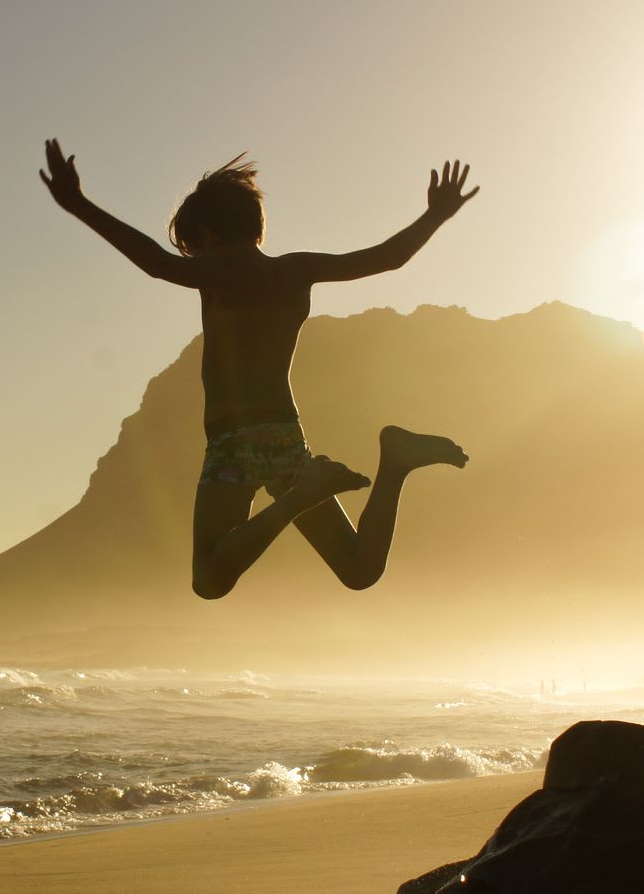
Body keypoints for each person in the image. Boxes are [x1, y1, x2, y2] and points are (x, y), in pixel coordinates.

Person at [39, 139, 478, 599]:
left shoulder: (216, 272)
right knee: (359, 568)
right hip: (285, 435)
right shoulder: (296, 270)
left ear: (206, 237)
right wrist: (435, 216)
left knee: (209, 580)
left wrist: (79, 205)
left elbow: (154, 263)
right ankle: (395, 464)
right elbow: (386, 258)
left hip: (232, 441)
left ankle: (297, 498)